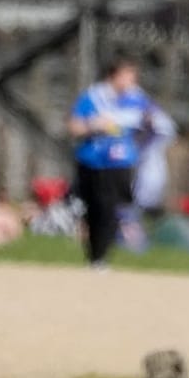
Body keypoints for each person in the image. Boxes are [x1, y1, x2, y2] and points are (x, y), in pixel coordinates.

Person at [68, 55, 156, 270]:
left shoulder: (138, 99)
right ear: (114, 75)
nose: (131, 81)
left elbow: (154, 125)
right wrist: (94, 125)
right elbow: (74, 127)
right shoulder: (94, 97)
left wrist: (141, 143)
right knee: (94, 208)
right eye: (127, 75)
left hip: (120, 162)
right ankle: (94, 255)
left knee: (111, 207)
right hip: (93, 161)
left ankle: (102, 255)